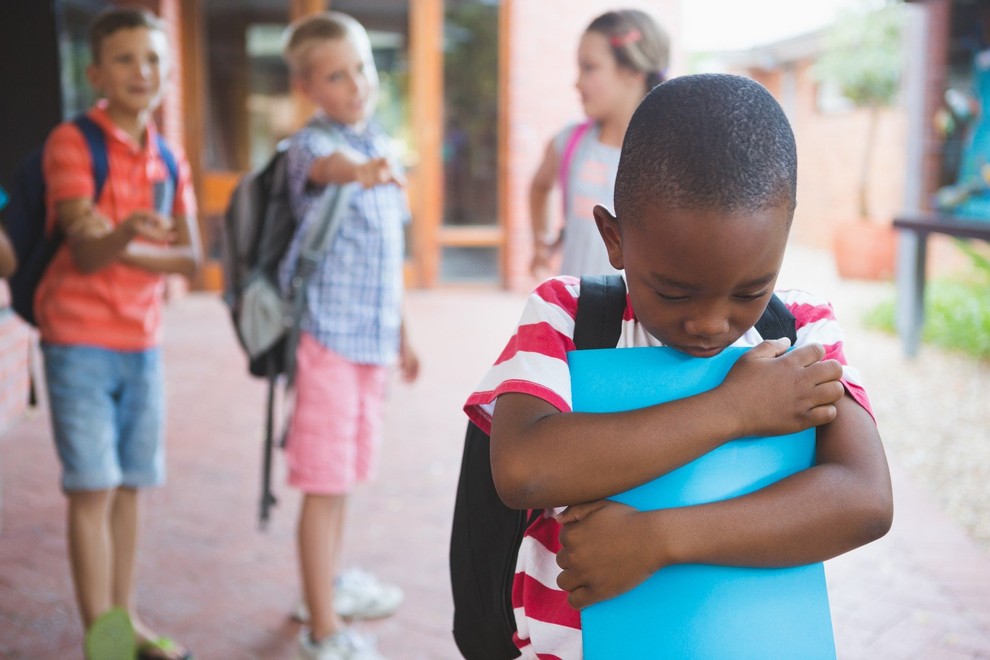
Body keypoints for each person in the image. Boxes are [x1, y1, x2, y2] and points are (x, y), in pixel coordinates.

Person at [465, 73, 894, 658]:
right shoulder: (569, 318)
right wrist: (734, 410)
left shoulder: (800, 335)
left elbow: (864, 499)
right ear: (614, 239)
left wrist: (656, 540)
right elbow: (523, 469)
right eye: (673, 293)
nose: (712, 324)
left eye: (749, 290)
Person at [35, 7, 201, 660]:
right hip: (77, 339)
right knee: (93, 486)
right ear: (95, 72)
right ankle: (101, 640)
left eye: (154, 58)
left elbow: (191, 261)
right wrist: (127, 233)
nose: (143, 71)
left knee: (131, 483)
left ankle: (125, 621)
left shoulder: (168, 154)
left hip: (143, 342)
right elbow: (85, 253)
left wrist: (118, 235)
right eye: (127, 58)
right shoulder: (72, 143)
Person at [280, 12, 420, 660]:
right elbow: (326, 167)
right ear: (309, 87)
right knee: (323, 482)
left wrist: (403, 333)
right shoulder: (312, 147)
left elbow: (388, 257)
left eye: (362, 67)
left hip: (369, 344)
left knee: (344, 477)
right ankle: (321, 629)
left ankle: (327, 587)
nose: (356, 83)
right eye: (336, 75)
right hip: (327, 344)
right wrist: (359, 171)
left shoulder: (379, 144)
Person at [529, 9, 669, 279]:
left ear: (633, 71)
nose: (577, 82)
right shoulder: (569, 143)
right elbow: (539, 186)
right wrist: (540, 241)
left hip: (638, 319)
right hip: (578, 314)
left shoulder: (667, 157)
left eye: (589, 67)